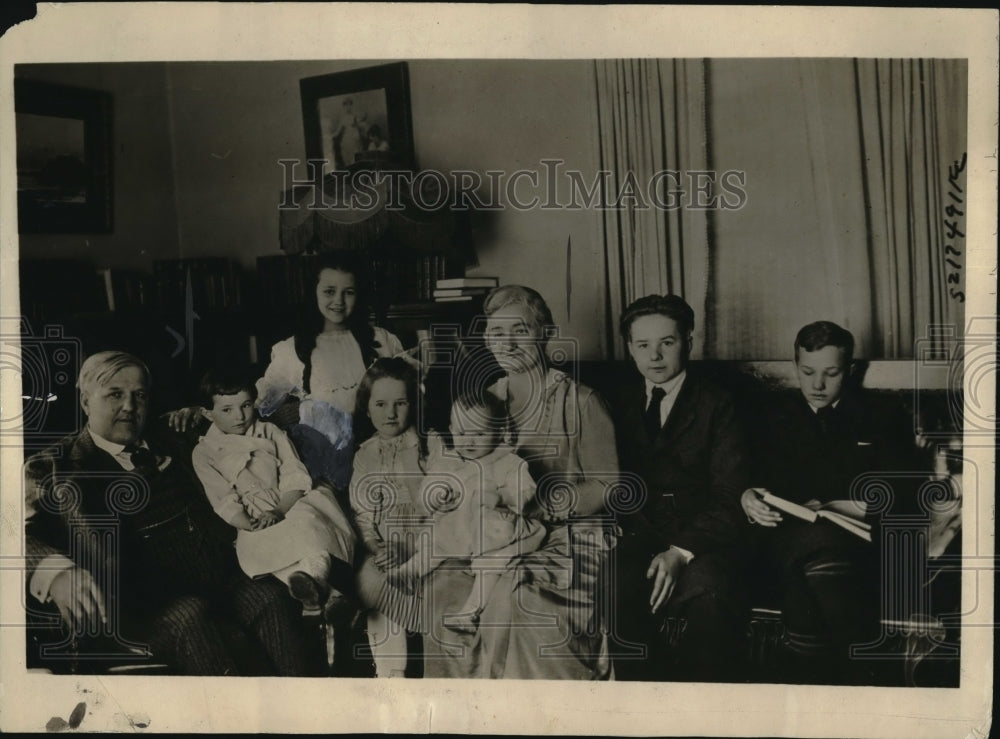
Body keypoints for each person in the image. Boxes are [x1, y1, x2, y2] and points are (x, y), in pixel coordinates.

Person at [24, 351, 315, 676]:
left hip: (223, 582)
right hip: (141, 609)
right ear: (86, 401)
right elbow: (12, 533)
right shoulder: (54, 465)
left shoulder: (175, 434)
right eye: (115, 394)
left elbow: (256, 417)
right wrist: (54, 572)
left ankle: (300, 717)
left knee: (271, 597)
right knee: (192, 616)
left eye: (140, 395)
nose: (130, 407)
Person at [423, 285, 620, 680]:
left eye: (520, 331)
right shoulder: (482, 403)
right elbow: (463, 469)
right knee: (442, 588)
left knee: (518, 598)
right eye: (496, 333)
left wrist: (547, 505)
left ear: (544, 333)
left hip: (568, 538)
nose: (506, 343)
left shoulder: (581, 401)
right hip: (494, 534)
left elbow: (607, 485)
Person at [741, 321, 915, 684]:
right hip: (783, 537)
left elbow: (904, 488)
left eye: (831, 373)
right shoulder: (770, 416)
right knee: (815, 555)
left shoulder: (881, 414)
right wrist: (747, 496)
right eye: (807, 372)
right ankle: (863, 678)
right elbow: (745, 479)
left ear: (849, 370)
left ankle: (815, 685)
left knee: (811, 569)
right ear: (795, 367)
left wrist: (840, 505)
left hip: (855, 539)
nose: (817, 385)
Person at [170, 250, 408, 491]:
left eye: (348, 292)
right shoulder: (292, 350)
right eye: (329, 291)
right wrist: (202, 410)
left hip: (381, 453)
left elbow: (408, 394)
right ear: (313, 292)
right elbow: (257, 400)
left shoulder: (382, 341)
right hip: (327, 466)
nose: (338, 301)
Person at [611, 294, 749, 682]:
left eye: (666, 343)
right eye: (643, 345)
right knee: (614, 586)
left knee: (710, 597)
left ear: (688, 340)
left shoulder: (719, 404)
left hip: (704, 538)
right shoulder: (616, 401)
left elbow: (729, 496)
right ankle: (640, 712)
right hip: (639, 532)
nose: (654, 356)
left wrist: (681, 551)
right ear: (629, 348)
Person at [191, 367, 357, 618]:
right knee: (263, 545)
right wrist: (247, 522)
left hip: (288, 499)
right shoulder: (205, 452)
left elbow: (293, 471)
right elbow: (221, 496)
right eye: (227, 410)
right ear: (207, 414)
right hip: (253, 514)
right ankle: (328, 597)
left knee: (308, 527)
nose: (240, 416)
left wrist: (280, 509)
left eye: (246, 405)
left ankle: (317, 579)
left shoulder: (269, 431)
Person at [388, 391, 545, 633]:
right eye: (461, 434)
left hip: (495, 531)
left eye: (479, 434)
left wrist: (503, 496)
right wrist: (436, 495)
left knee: (489, 563)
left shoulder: (508, 461)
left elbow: (527, 490)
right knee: (434, 545)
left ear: (499, 431)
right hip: (459, 527)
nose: (469, 442)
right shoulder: (449, 461)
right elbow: (427, 490)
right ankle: (410, 571)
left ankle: (470, 612)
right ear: (451, 429)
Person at [348, 357, 431, 677]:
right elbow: (363, 514)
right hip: (383, 548)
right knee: (374, 578)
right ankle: (391, 677)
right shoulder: (365, 454)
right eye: (380, 404)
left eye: (400, 402)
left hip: (430, 546)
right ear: (366, 408)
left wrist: (415, 550)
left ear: (414, 404)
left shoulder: (430, 445)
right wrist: (375, 546)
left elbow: (447, 511)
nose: (390, 413)